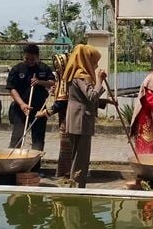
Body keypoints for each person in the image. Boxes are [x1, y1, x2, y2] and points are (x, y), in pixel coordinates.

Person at [42, 44, 113, 187]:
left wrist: (107, 101)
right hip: (81, 121)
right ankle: (77, 187)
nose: (96, 65)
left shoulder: (75, 75)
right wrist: (99, 80)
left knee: (77, 157)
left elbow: (84, 99)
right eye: (94, 61)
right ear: (86, 59)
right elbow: (91, 96)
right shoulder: (80, 76)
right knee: (81, 158)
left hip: (77, 120)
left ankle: (74, 184)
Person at [6, 44, 55, 172]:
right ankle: (13, 166)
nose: (29, 61)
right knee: (17, 137)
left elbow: (53, 83)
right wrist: (22, 104)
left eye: (32, 59)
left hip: (39, 110)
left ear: (37, 57)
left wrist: (40, 82)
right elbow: (11, 88)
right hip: (20, 109)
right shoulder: (17, 69)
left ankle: (35, 168)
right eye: (27, 58)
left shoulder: (43, 68)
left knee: (38, 140)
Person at [37, 52, 74, 178]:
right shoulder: (60, 80)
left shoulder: (66, 80)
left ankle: (68, 173)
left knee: (67, 146)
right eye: (56, 66)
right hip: (64, 119)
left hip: (68, 118)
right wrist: (53, 91)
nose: (57, 68)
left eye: (59, 66)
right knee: (64, 145)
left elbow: (61, 104)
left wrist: (45, 113)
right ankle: (64, 172)